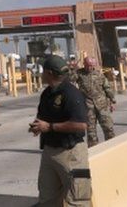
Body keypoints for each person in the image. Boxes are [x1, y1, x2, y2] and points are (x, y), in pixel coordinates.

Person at [29, 55, 90, 207]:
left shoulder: (71, 93)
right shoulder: (47, 93)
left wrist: (49, 127)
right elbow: (44, 117)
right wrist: (37, 127)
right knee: (47, 198)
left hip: (71, 153)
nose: (41, 74)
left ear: (49, 73)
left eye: (43, 71)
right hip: (50, 151)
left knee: (77, 199)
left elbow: (81, 124)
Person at [69, 56, 116, 147]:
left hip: (102, 105)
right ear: (84, 64)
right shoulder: (79, 74)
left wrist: (112, 101)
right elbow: (70, 79)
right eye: (88, 65)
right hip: (88, 106)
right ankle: (94, 151)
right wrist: (73, 69)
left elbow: (107, 88)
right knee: (91, 132)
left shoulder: (99, 74)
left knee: (108, 128)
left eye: (92, 65)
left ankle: (112, 147)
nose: (90, 67)